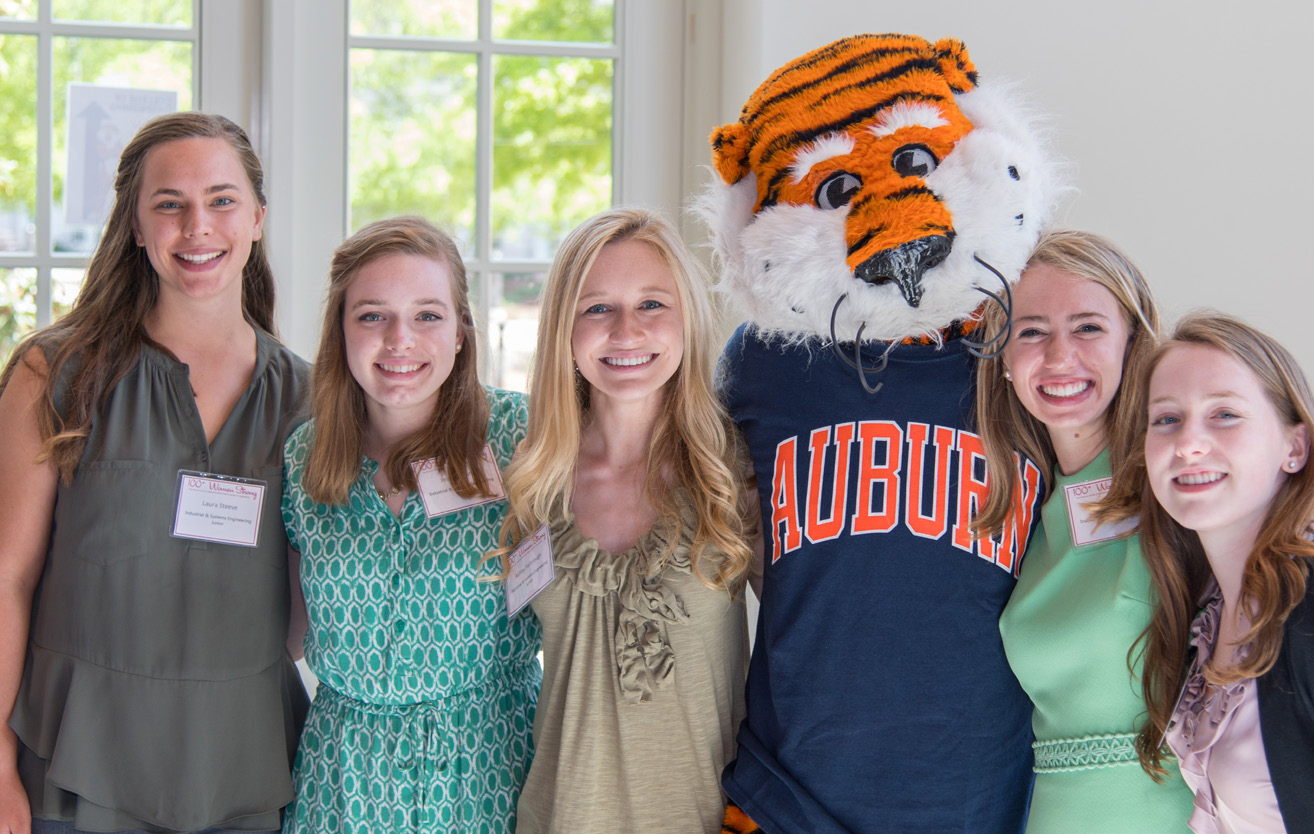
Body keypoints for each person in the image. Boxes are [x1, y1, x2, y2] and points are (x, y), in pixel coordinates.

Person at [981, 231, 1314, 833]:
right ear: (1001, 359)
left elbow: (1305, 572)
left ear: (1134, 343)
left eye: (1089, 327)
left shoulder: (1188, 501)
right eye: (1031, 331)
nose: (1059, 355)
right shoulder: (1018, 515)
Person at [0, 113, 308, 833]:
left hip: (248, 770)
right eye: (169, 204)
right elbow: (6, 578)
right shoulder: (55, 375)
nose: (197, 226)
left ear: (257, 218)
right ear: (136, 227)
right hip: (74, 773)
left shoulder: (311, 399)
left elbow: (307, 605)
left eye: (222, 200)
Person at [279, 216, 540, 834]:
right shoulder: (304, 457)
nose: (400, 340)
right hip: (343, 782)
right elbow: (288, 632)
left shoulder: (523, 440)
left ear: (459, 334)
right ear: (341, 332)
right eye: (372, 316)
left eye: (427, 315)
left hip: (488, 773)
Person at [499, 207, 753, 833]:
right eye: (597, 309)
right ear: (564, 326)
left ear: (687, 318)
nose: (626, 332)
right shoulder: (532, 477)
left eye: (651, 304)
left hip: (703, 817)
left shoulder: (735, 471)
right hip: (559, 815)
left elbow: (801, 653)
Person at [1128, 313, 1314, 833]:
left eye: (1224, 414)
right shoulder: (1208, 617)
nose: (1188, 444)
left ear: (1294, 448)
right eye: (1166, 419)